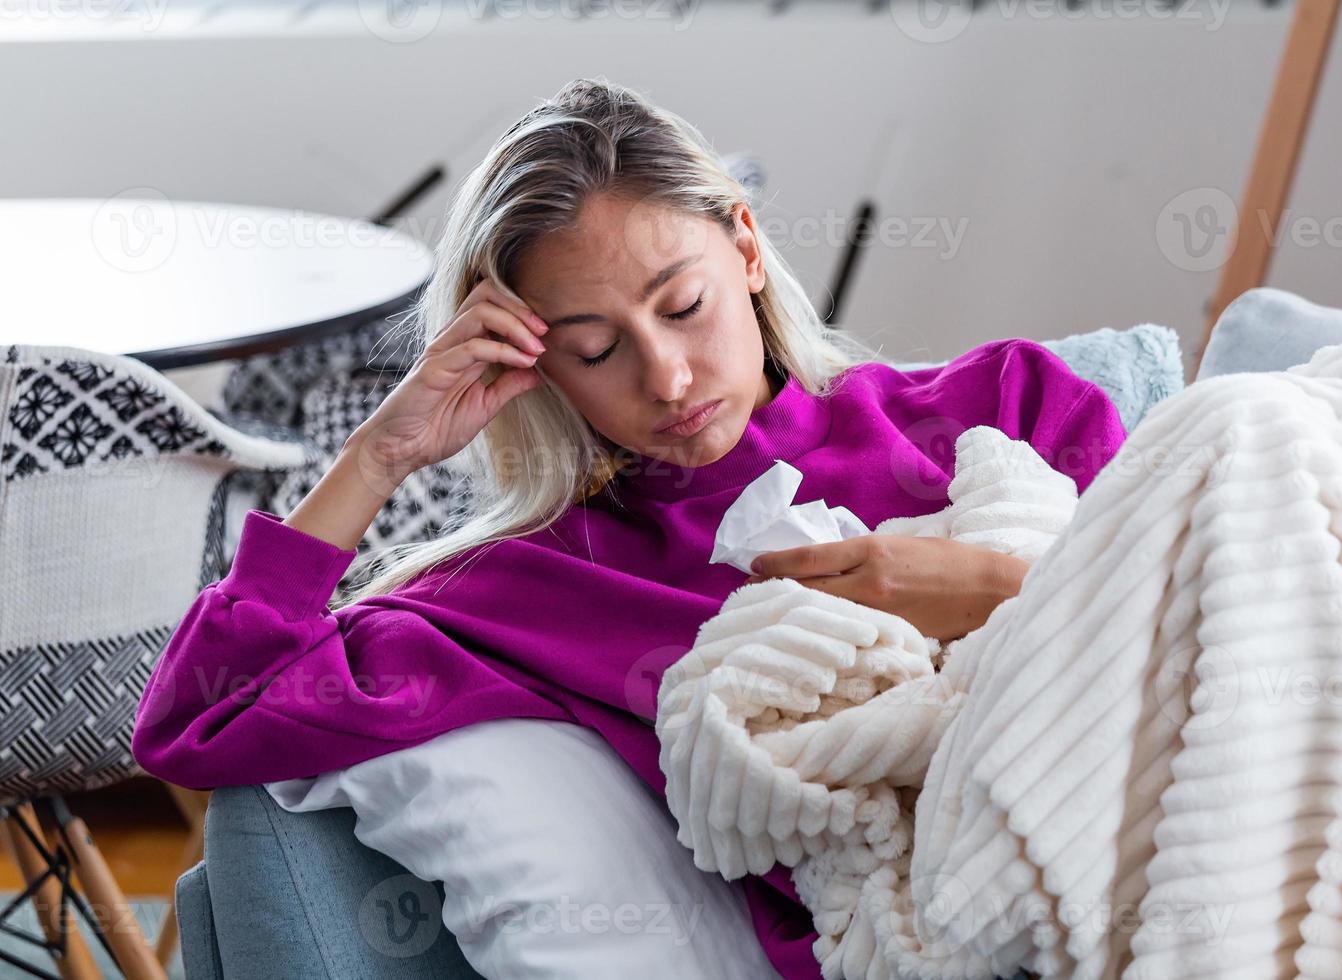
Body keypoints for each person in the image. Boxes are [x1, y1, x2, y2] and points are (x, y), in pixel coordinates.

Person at [131, 76, 1127, 979]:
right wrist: (380, 454)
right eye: (597, 348)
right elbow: (197, 716)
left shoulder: (1003, 403)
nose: (668, 377)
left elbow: (1197, 625)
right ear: (537, 365)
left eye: (683, 305)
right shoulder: (539, 587)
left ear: (743, 246)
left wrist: (994, 589)